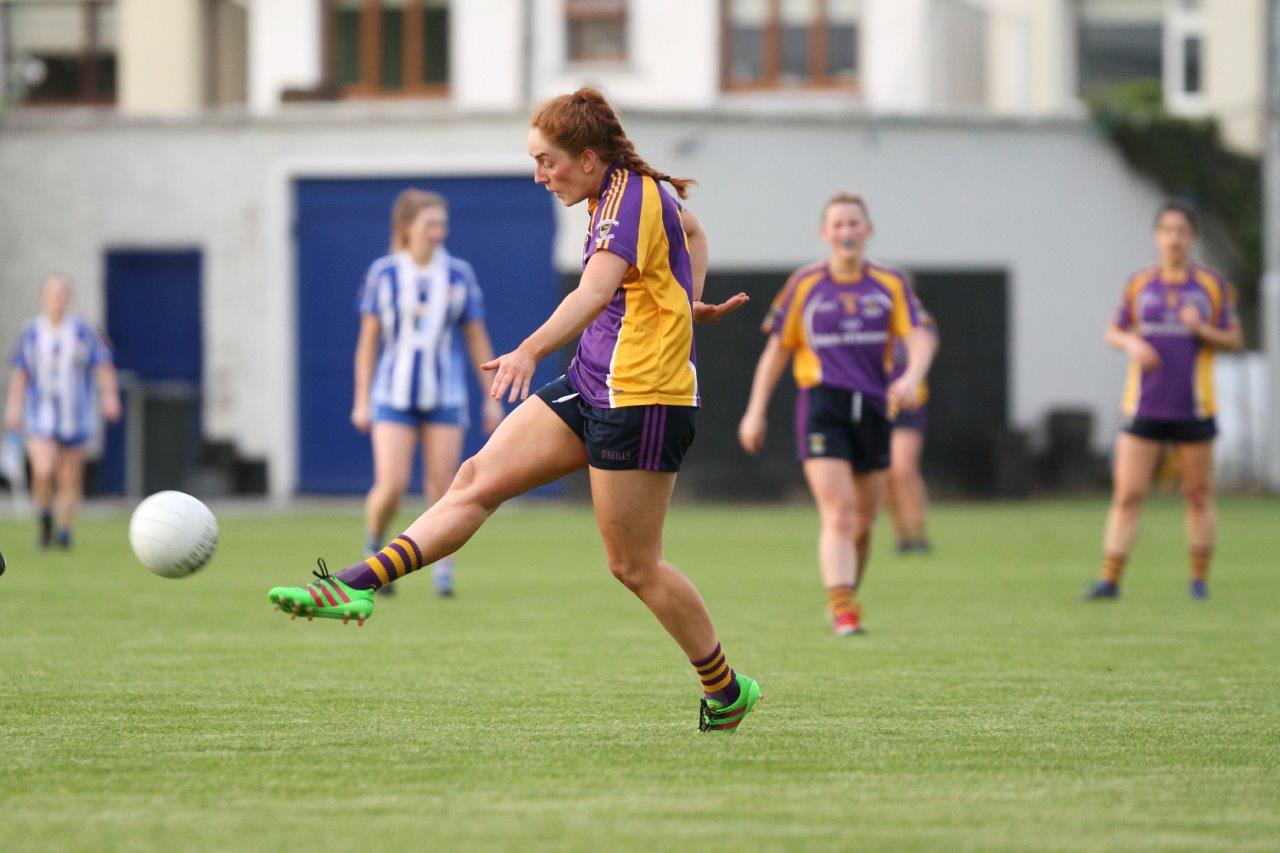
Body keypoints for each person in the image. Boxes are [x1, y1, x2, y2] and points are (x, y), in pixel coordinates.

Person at [268, 87, 759, 732]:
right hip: (593, 380)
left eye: (546, 160)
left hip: (644, 400)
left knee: (634, 566)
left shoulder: (629, 197)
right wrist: (683, 297)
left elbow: (592, 291)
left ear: (587, 158)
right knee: (474, 480)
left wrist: (529, 349)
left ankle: (726, 690)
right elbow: (690, 231)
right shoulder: (620, 191)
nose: (539, 175)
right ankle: (353, 583)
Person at [738, 192, 933, 636]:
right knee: (839, 514)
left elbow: (919, 338)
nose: (846, 232)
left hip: (875, 408)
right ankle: (844, 610)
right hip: (822, 404)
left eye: (854, 224)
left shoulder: (889, 283)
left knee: (864, 525)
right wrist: (755, 411)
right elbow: (776, 352)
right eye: (838, 225)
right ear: (825, 234)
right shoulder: (806, 283)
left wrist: (911, 376)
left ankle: (843, 596)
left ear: (868, 231)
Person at [351, 189, 505, 599]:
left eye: (442, 224)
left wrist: (491, 395)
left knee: (443, 487)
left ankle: (443, 570)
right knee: (392, 485)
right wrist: (362, 399)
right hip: (392, 396)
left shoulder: (458, 275)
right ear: (408, 228)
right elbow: (368, 342)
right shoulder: (384, 274)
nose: (438, 233)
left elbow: (476, 338)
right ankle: (374, 545)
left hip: (445, 395)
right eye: (430, 225)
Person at [1086, 201, 1242, 601]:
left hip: (1194, 406)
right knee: (1127, 494)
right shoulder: (1140, 284)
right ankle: (1110, 579)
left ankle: (1198, 580)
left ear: (1191, 238)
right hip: (1144, 405)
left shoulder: (1211, 286)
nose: (1174, 238)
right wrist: (1133, 343)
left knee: (1198, 494)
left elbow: (1234, 339)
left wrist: (1201, 328)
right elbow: (1113, 331)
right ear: (1157, 237)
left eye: (1181, 230)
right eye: (1167, 230)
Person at [4, 275, 120, 549]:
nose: (57, 299)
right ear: (44, 298)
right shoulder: (31, 332)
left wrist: (110, 397)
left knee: (69, 478)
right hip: (40, 415)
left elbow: (103, 365)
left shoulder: (83, 330)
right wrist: (13, 407)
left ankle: (65, 531)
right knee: (43, 470)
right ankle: (45, 520)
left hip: (75, 416)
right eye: (52, 294)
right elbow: (21, 373)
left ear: (68, 299)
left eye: (62, 294)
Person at [884, 300, 939, 554]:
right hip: (876, 400)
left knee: (903, 469)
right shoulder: (871, 319)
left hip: (908, 402)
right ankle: (902, 536)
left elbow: (928, 347)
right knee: (883, 473)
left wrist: (911, 381)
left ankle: (919, 533)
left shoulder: (917, 320)